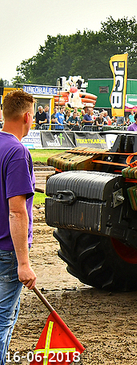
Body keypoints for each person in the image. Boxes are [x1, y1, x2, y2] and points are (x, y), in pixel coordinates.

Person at [0, 90, 37, 360]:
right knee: (3, 319)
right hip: (6, 251)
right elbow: (17, 211)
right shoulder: (17, 152)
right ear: (26, 117)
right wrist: (23, 263)